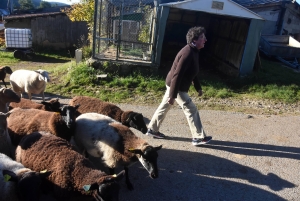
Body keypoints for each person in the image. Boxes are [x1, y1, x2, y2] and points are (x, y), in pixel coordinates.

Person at [146, 26, 212, 146]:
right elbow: (177, 75)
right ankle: (197, 137)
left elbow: (193, 72)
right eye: (202, 37)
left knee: (164, 107)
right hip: (177, 86)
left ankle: (152, 129)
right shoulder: (187, 53)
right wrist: (173, 95)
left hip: (175, 85)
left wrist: (198, 87)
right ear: (194, 40)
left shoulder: (194, 51)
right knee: (191, 109)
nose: (205, 40)